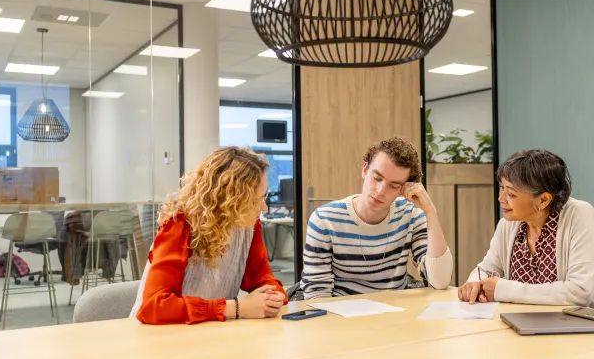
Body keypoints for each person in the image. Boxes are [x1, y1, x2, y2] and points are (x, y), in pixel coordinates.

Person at [131, 147, 287, 324]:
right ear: (231, 200)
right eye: (255, 200)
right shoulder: (180, 224)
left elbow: (263, 280)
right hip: (157, 332)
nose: (263, 208)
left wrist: (272, 297)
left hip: (209, 330)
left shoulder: (248, 224)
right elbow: (153, 306)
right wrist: (236, 308)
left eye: (264, 197)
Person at [458, 149, 594, 312]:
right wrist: (475, 284)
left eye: (511, 194)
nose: (501, 198)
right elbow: (485, 270)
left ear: (543, 200)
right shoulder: (508, 224)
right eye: (501, 188)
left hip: (585, 324)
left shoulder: (580, 215)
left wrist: (504, 290)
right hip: (524, 322)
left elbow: (581, 291)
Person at [299, 137, 453, 299]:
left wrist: (430, 212)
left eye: (394, 186)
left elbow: (440, 281)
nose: (380, 191)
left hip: (397, 309)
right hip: (341, 310)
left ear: (404, 189)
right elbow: (317, 294)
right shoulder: (324, 220)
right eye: (377, 178)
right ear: (365, 169)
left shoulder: (411, 215)